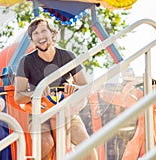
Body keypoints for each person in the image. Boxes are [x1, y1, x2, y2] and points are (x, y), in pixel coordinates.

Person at [14, 17, 98, 160]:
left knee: (87, 147)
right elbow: (18, 97)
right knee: (46, 143)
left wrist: (74, 87)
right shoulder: (26, 61)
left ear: (52, 33)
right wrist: (37, 92)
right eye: (35, 34)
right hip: (39, 113)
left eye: (43, 31)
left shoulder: (67, 56)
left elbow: (85, 87)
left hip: (66, 111)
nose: (40, 36)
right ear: (32, 40)